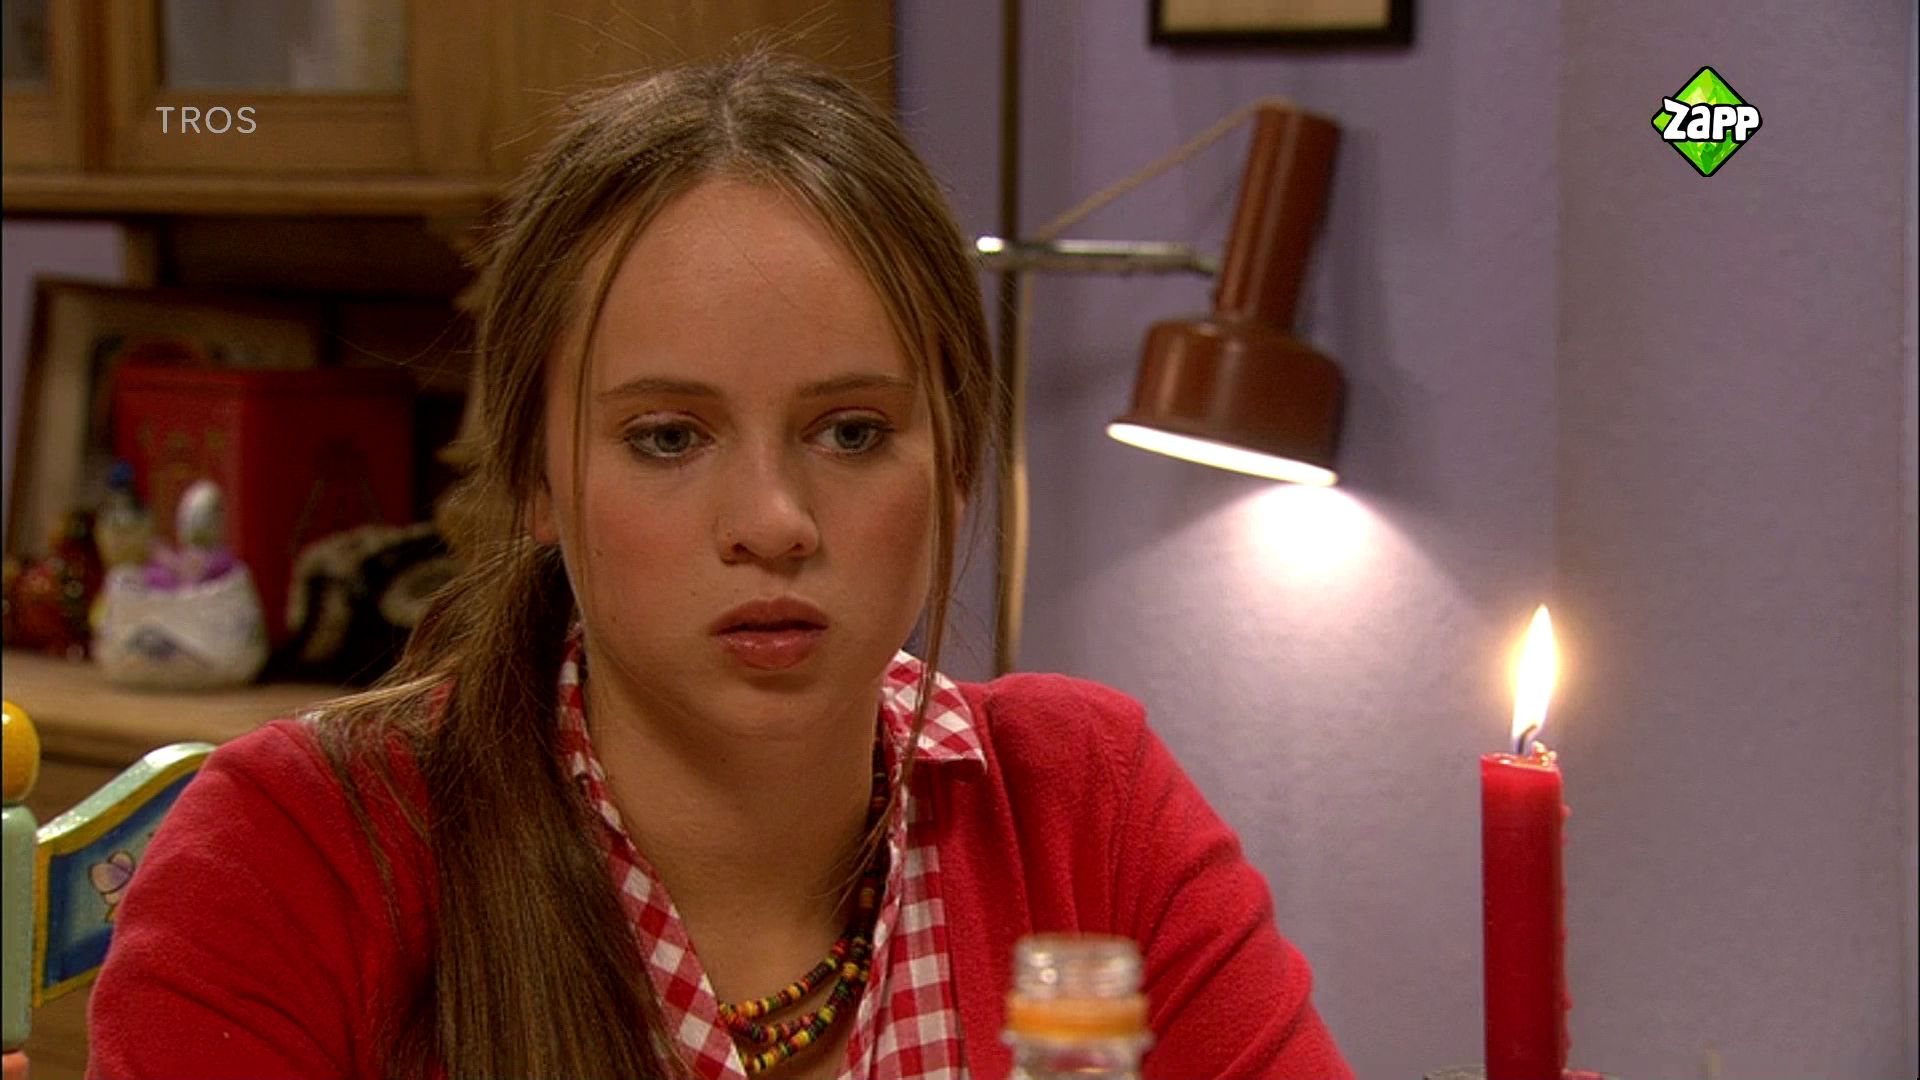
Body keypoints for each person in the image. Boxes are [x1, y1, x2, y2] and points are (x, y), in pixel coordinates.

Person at [86, 52, 1353, 1080]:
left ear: (958, 459)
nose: (774, 520)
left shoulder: (1084, 810)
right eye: (668, 437)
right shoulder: (300, 854)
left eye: (851, 433)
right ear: (536, 479)